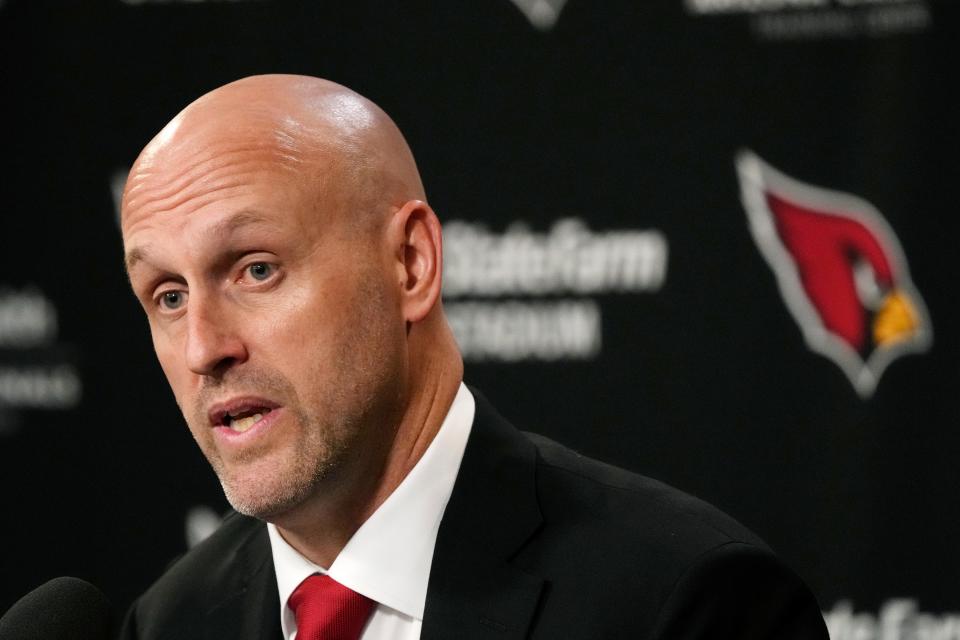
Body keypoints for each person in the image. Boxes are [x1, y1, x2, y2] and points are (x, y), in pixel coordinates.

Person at [118, 74, 828, 639]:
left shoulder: (683, 603)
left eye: (257, 269)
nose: (205, 347)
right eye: (169, 296)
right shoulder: (167, 624)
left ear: (410, 263)